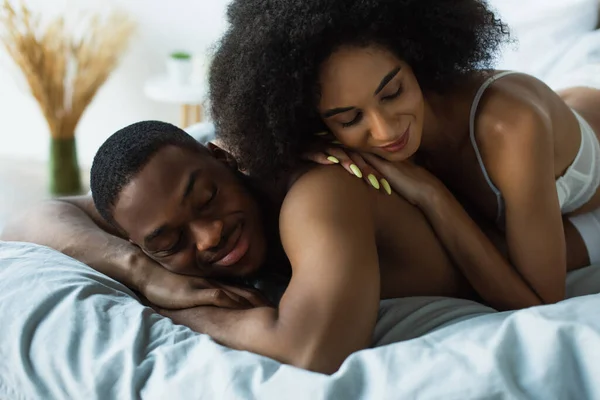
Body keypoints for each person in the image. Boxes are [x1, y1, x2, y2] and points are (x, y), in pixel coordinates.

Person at [2, 120, 481, 374]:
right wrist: (146, 274)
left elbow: (310, 352)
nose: (209, 236)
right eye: (169, 242)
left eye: (207, 198)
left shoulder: (315, 194)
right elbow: (32, 219)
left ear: (223, 158)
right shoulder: (150, 212)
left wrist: (180, 310)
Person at [209, 0, 600, 308]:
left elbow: (541, 300)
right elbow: (232, 150)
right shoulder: (323, 133)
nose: (385, 131)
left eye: (392, 93)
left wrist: (432, 196)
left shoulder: (511, 129)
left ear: (416, 58)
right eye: (350, 118)